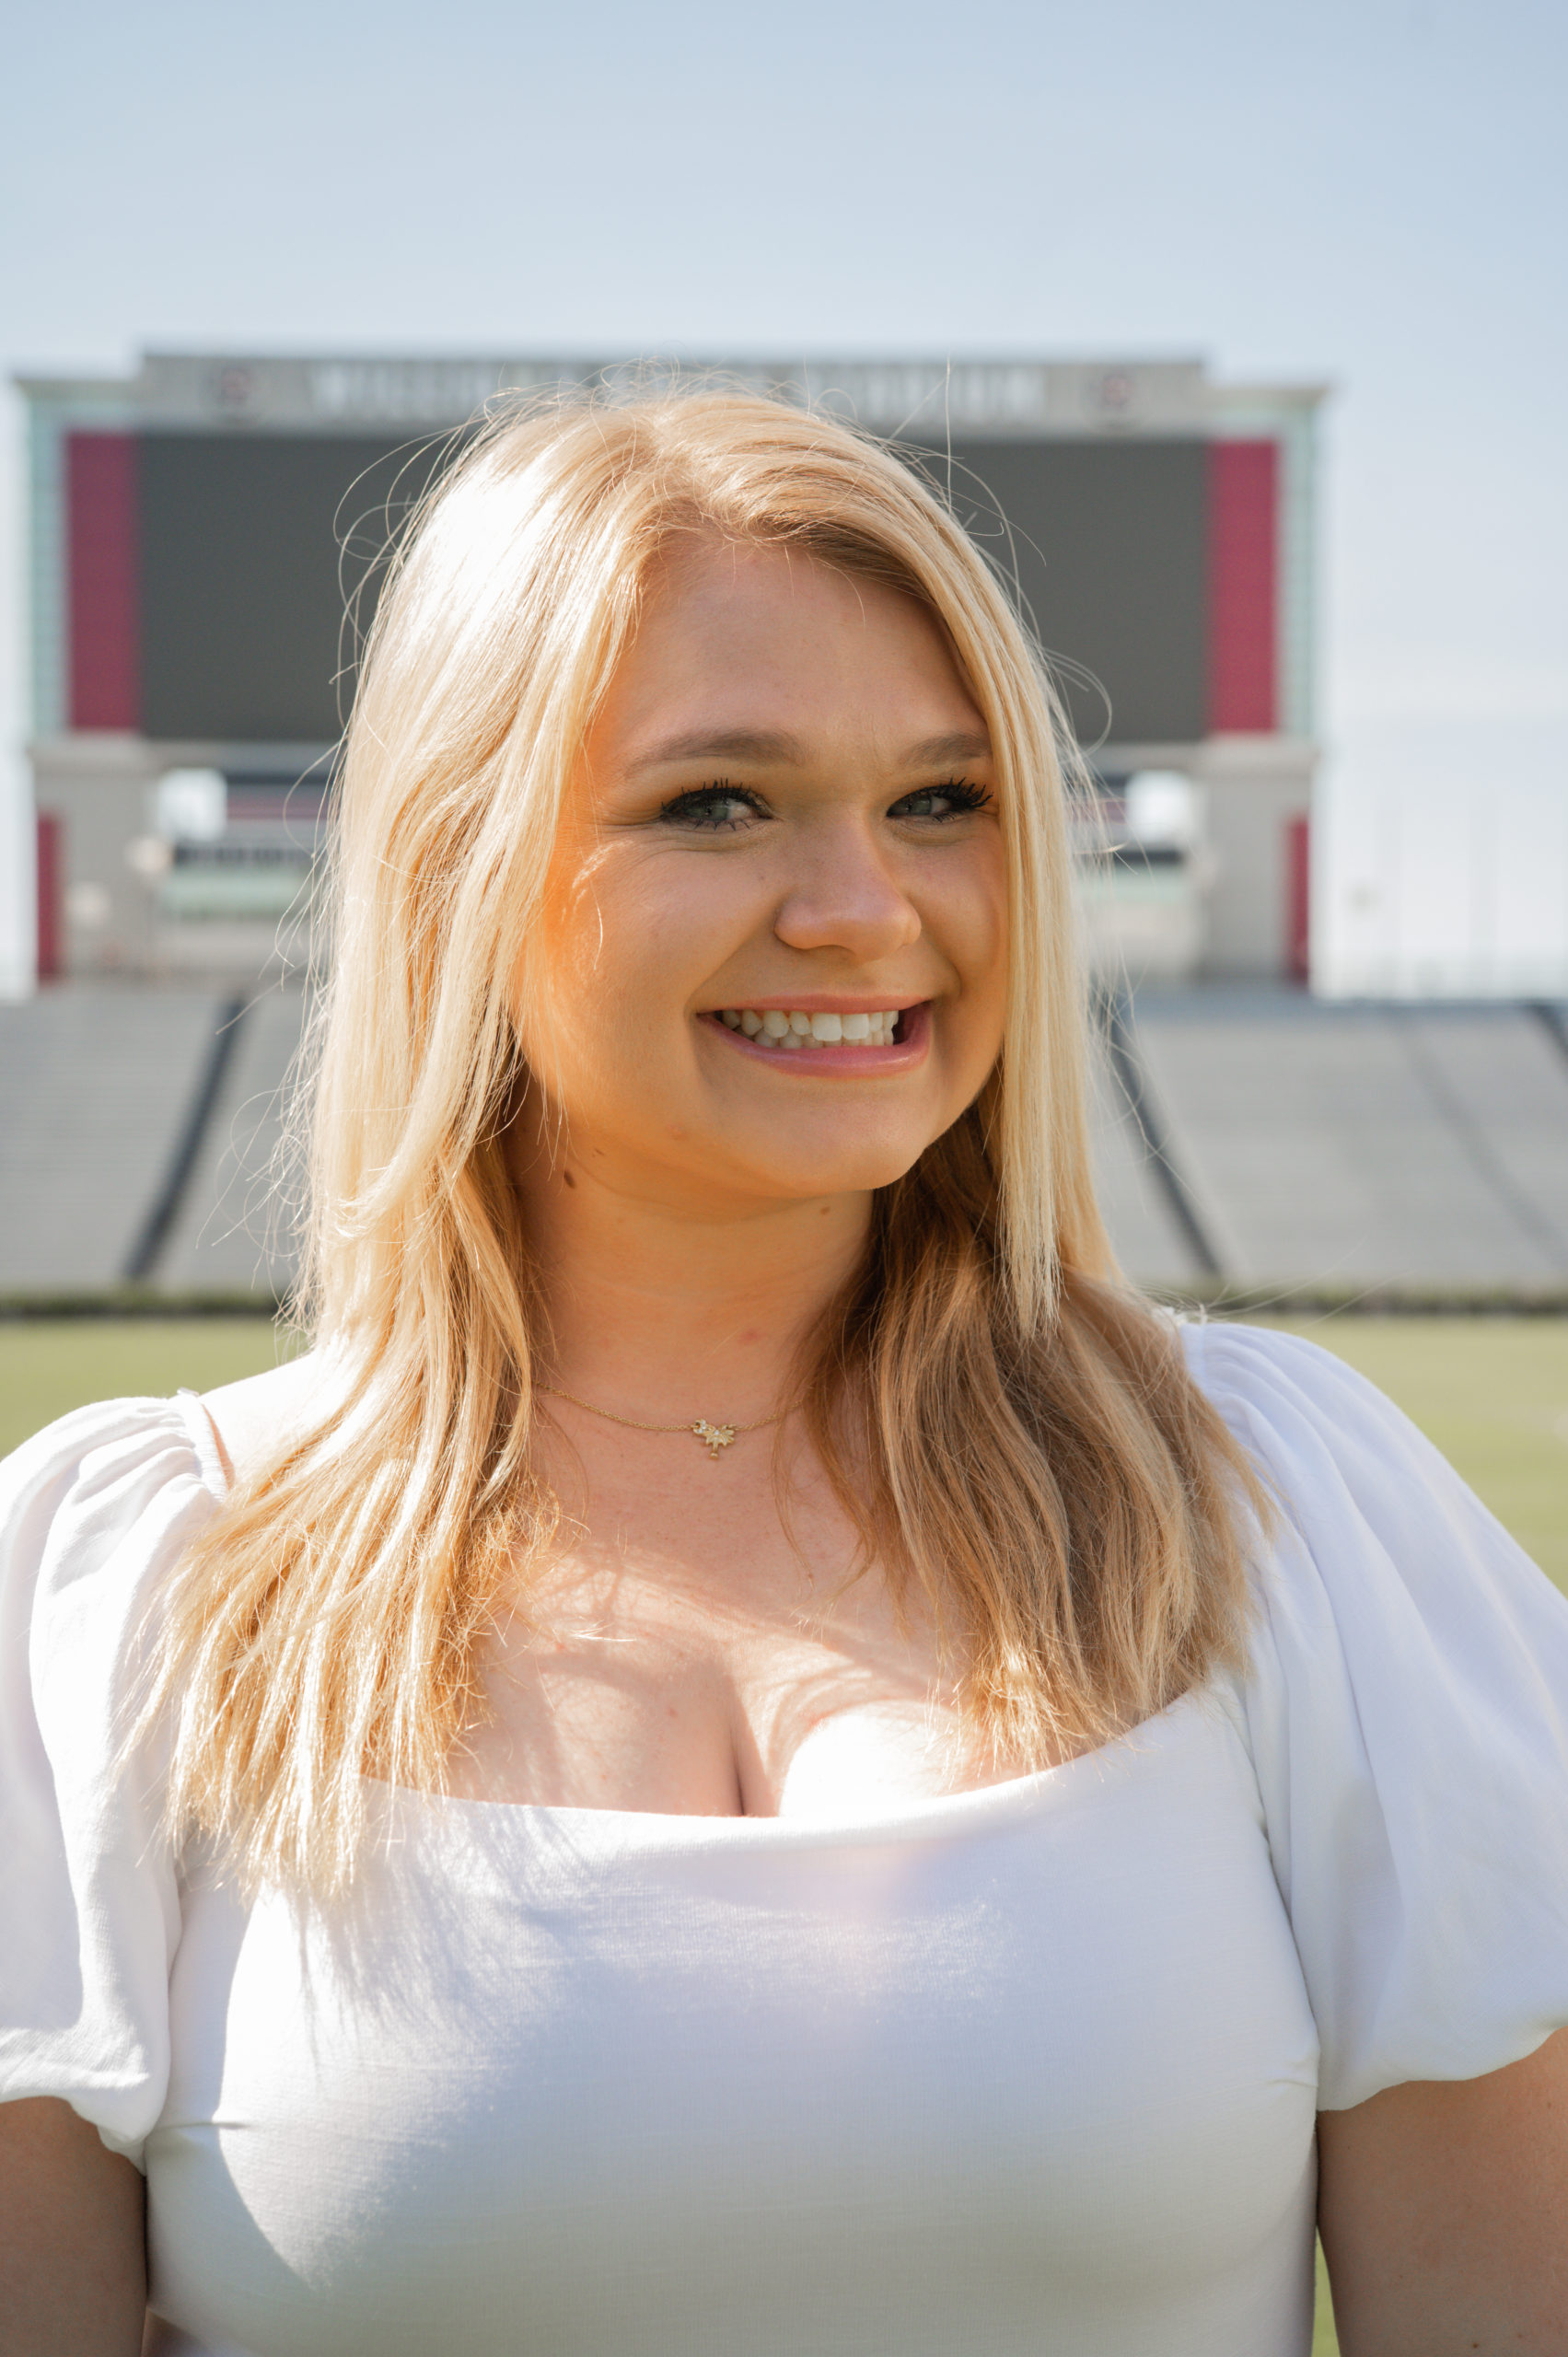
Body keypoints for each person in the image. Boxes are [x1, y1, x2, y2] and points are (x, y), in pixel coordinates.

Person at [3, 389, 1566, 2357]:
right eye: (717, 803)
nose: (863, 909)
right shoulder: (122, 1589)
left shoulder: (1279, 1507)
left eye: (943, 799)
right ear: (455, 868)